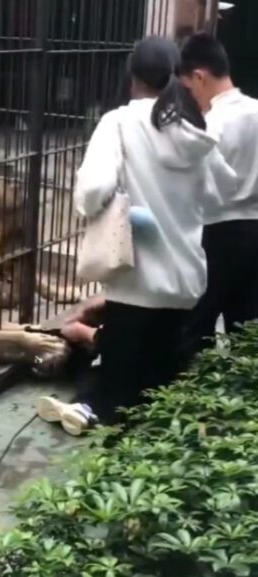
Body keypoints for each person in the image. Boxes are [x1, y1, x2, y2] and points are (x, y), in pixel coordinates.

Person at [36, 37, 236, 437]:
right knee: (161, 376)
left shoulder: (119, 123)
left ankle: (94, 408)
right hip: (185, 278)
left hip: (136, 274)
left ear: (132, 80)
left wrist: (107, 207)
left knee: (118, 377)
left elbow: (93, 189)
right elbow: (220, 195)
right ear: (176, 79)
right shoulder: (196, 130)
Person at [178, 33, 258, 355]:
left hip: (216, 232)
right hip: (256, 229)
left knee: (197, 327)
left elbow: (198, 186)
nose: (191, 96)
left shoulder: (209, 125)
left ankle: (188, 396)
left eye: (188, 88)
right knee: (247, 330)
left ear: (199, 76)